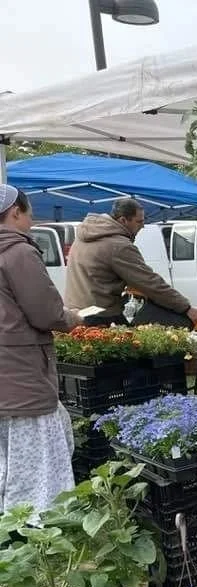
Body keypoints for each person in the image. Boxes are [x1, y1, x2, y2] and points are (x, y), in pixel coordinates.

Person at [0, 184, 83, 514]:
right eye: (30, 214)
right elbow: (46, 312)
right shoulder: (18, 252)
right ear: (15, 212)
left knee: (8, 462)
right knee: (40, 471)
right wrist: (72, 317)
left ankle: (11, 531)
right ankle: (41, 530)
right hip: (22, 376)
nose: (32, 222)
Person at [64, 198, 197, 326]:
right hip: (101, 316)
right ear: (123, 220)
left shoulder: (84, 236)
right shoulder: (118, 245)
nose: (143, 226)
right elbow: (149, 282)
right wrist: (186, 308)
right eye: (139, 221)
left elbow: (98, 273)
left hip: (76, 312)